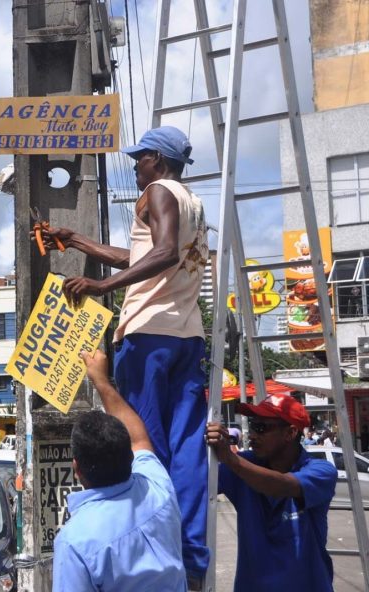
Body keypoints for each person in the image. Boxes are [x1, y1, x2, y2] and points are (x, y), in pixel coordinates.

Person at [36, 125, 209, 585]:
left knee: (144, 445)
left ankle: (153, 545)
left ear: (158, 159)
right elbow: (143, 255)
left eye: (140, 158)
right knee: (186, 448)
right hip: (186, 336)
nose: (135, 166)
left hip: (149, 335)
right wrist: (76, 241)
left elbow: (165, 253)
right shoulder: (190, 200)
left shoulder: (157, 191)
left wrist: (100, 286)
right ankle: (191, 553)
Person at [52, 350, 186, 592]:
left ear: (76, 469)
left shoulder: (75, 541)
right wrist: (101, 381)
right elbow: (140, 439)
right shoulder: (157, 488)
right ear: (130, 457)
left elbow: (138, 441)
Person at [205, 394, 337, 591]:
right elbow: (196, 483)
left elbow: (282, 485)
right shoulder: (245, 465)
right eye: (252, 425)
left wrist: (230, 459)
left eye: (261, 428)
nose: (252, 435)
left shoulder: (321, 471)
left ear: (290, 433)